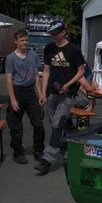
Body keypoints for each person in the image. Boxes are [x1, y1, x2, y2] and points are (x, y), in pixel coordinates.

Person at [34, 20, 85, 175]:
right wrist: (43, 92)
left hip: (68, 95)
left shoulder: (74, 49)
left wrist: (69, 84)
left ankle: (46, 161)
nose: (53, 37)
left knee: (57, 124)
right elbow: (47, 70)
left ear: (64, 32)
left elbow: (81, 71)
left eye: (56, 33)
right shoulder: (49, 48)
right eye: (51, 34)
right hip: (52, 94)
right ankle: (75, 145)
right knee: (63, 124)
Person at [5, 29, 45, 164]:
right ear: (16, 41)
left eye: (26, 40)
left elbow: (35, 76)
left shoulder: (33, 55)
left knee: (38, 124)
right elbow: (9, 79)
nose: (25, 42)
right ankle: (18, 151)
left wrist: (40, 95)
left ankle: (38, 150)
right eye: (22, 40)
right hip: (17, 92)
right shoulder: (11, 58)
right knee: (16, 126)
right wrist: (13, 99)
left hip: (30, 92)